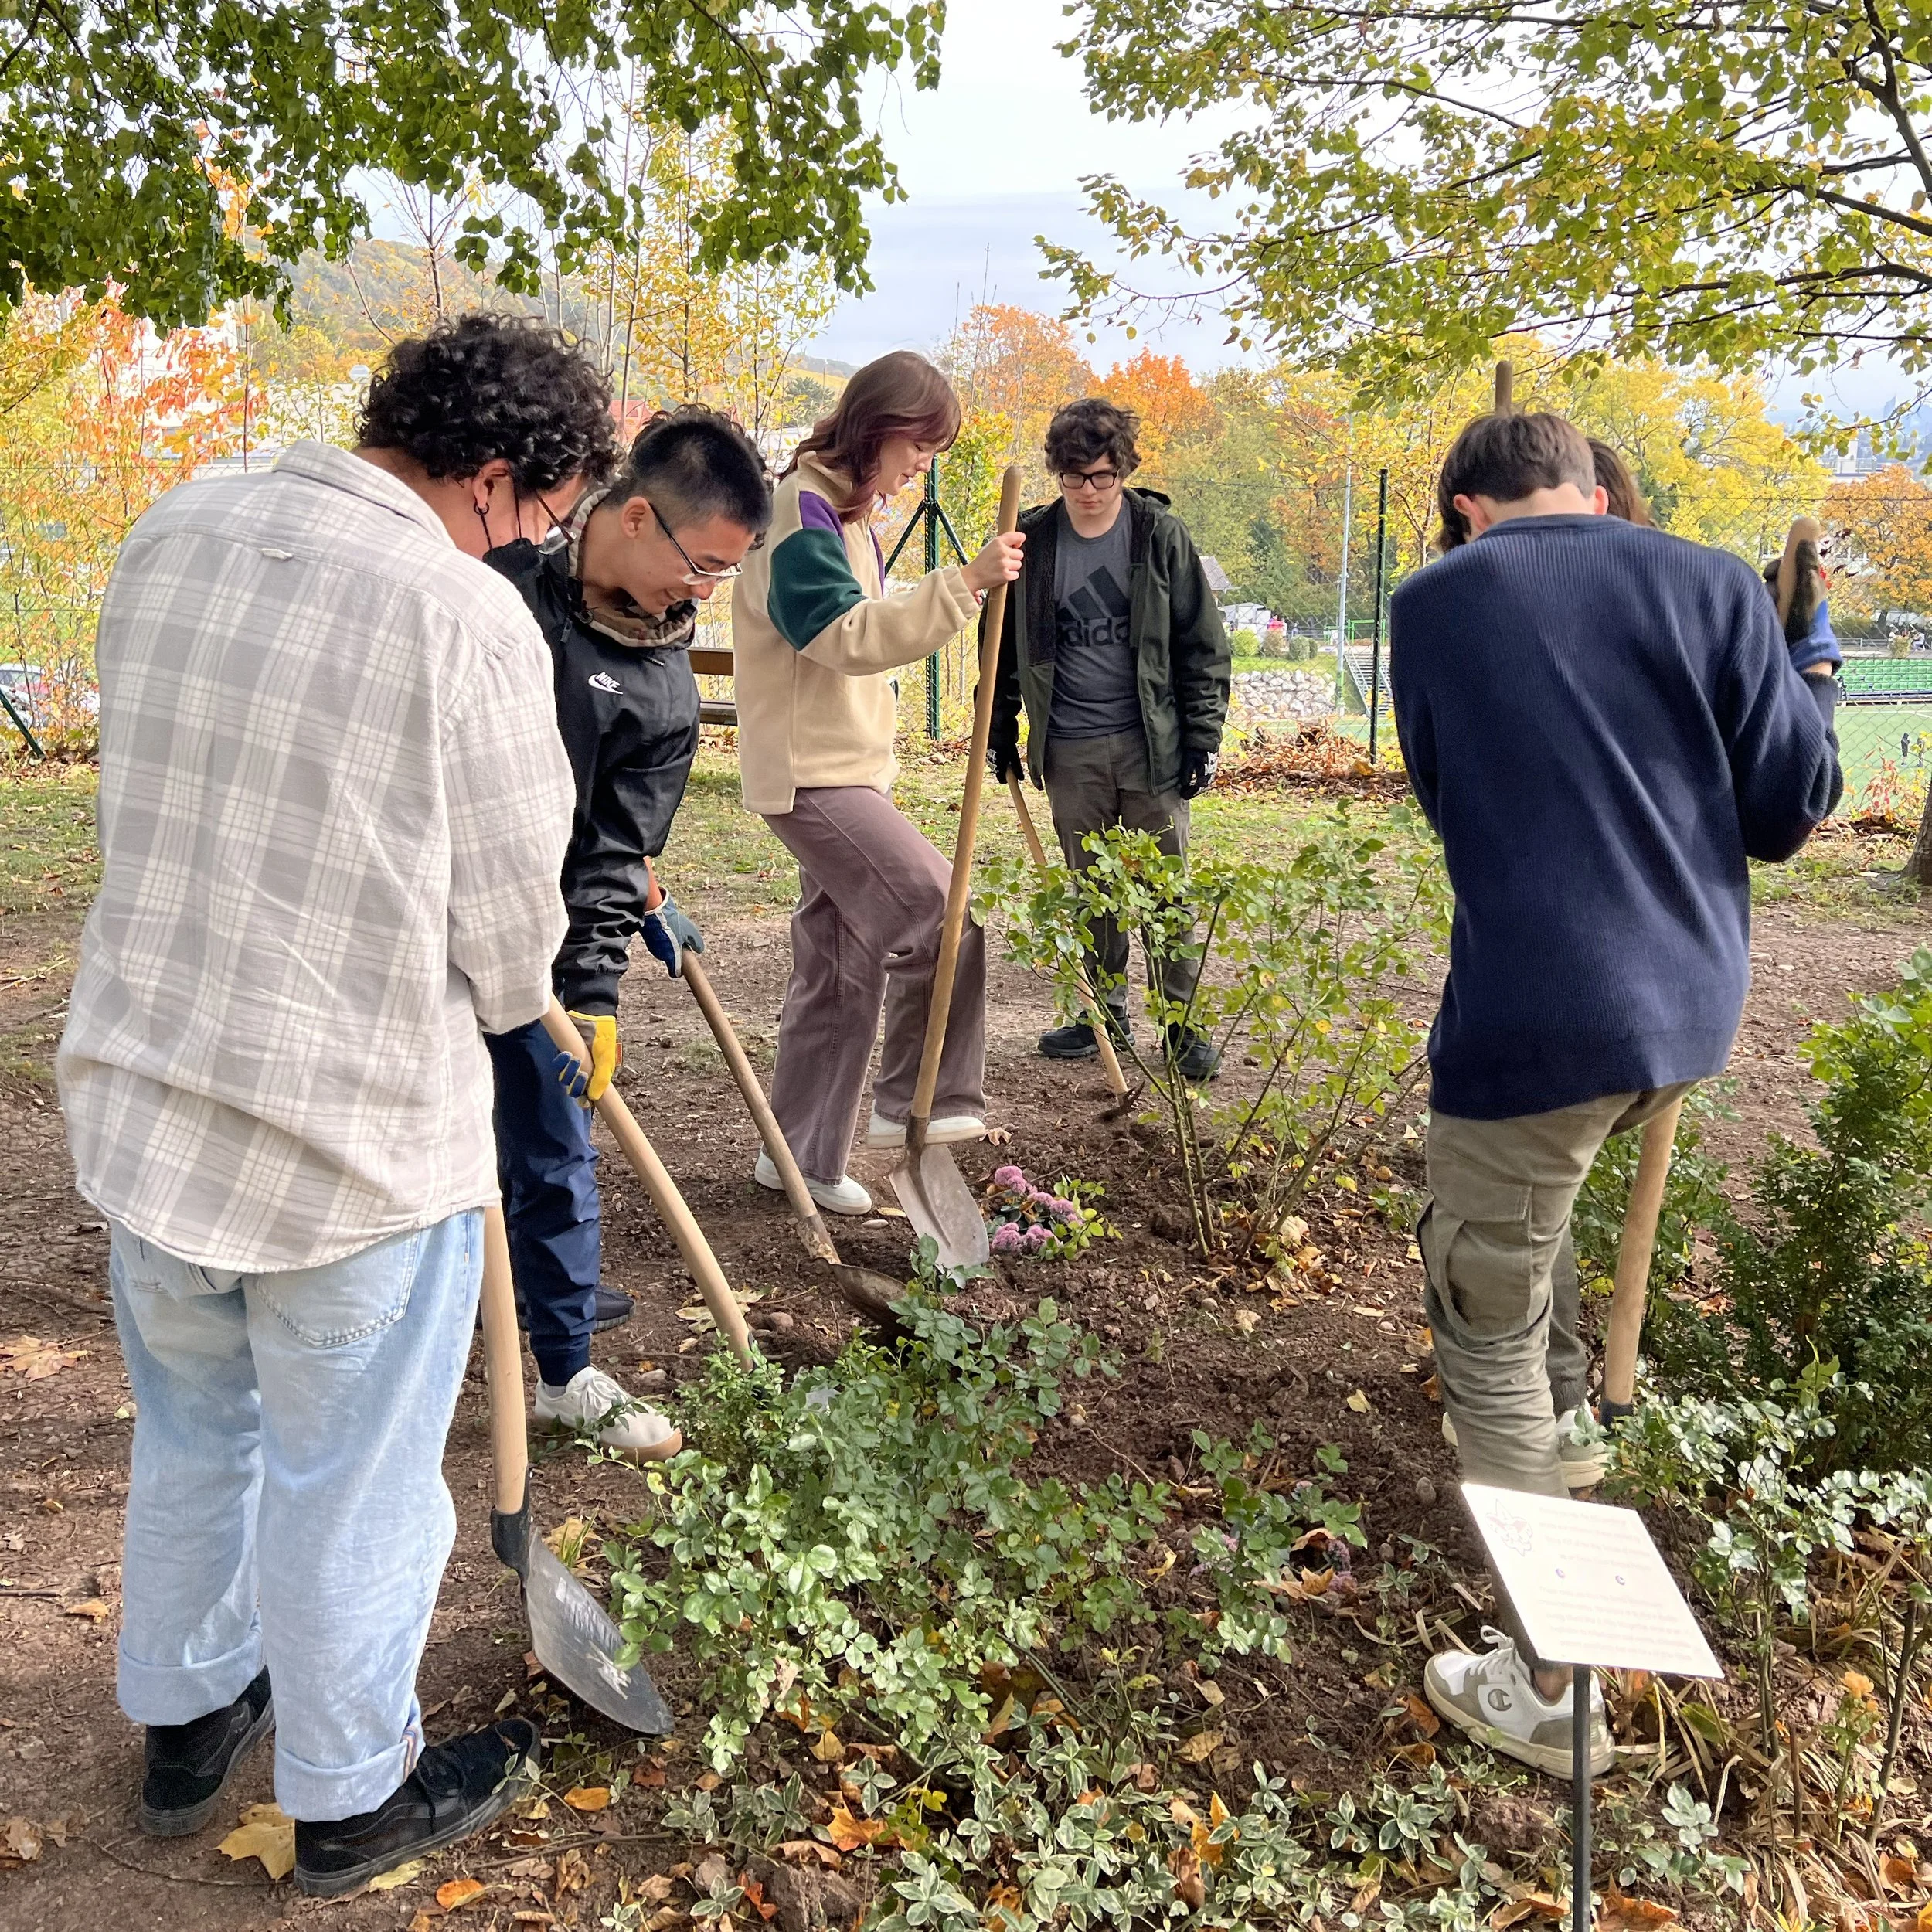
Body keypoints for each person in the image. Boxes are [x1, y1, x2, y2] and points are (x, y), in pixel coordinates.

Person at [56, 313, 615, 1893]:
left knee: (195, 1428)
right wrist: (534, 1018)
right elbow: (510, 920)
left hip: (152, 1105)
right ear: (496, 478)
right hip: (350, 1146)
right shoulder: (463, 617)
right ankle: (353, 1792)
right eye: (543, 515)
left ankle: (184, 1710)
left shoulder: (175, 523)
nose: (540, 546)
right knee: (356, 1479)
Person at [1393, 410, 1839, 1778]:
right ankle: (1570, 1454)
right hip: (1685, 1014)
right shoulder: (1706, 581)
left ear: (1469, 508)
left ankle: (1553, 1689)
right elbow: (1791, 807)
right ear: (1594, 491)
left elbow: (1447, 792)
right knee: (1541, 1248)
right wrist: (1806, 664)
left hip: (1535, 1024)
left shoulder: (1430, 603)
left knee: (1482, 1311)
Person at [484, 406, 771, 1453]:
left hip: (536, 945)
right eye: (700, 565)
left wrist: (592, 994)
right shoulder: (498, 587)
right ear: (636, 516)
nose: (701, 594)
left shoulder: (661, 690)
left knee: (552, 1148)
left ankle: (562, 1370)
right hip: (416, 921)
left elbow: (612, 851)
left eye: (721, 578)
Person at [731, 351, 1023, 1212]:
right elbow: (840, 634)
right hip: (815, 775)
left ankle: (798, 1157)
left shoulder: (843, 513)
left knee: (838, 969)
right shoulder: (802, 511)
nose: (917, 470)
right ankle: (919, 1106)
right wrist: (963, 584)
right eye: (917, 451)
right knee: (938, 909)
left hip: (844, 766)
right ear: (878, 429)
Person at [987, 398, 1230, 1080]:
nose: (1088, 492)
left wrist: (1202, 739)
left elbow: (1203, 645)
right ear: (1056, 476)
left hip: (1150, 743)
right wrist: (1002, 725)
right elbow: (1003, 647)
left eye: (1101, 477)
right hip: (1069, 747)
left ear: (1123, 470)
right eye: (1074, 479)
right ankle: (1105, 1018)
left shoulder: (1159, 535)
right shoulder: (1032, 543)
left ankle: (1180, 1029)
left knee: (1163, 892)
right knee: (1088, 890)